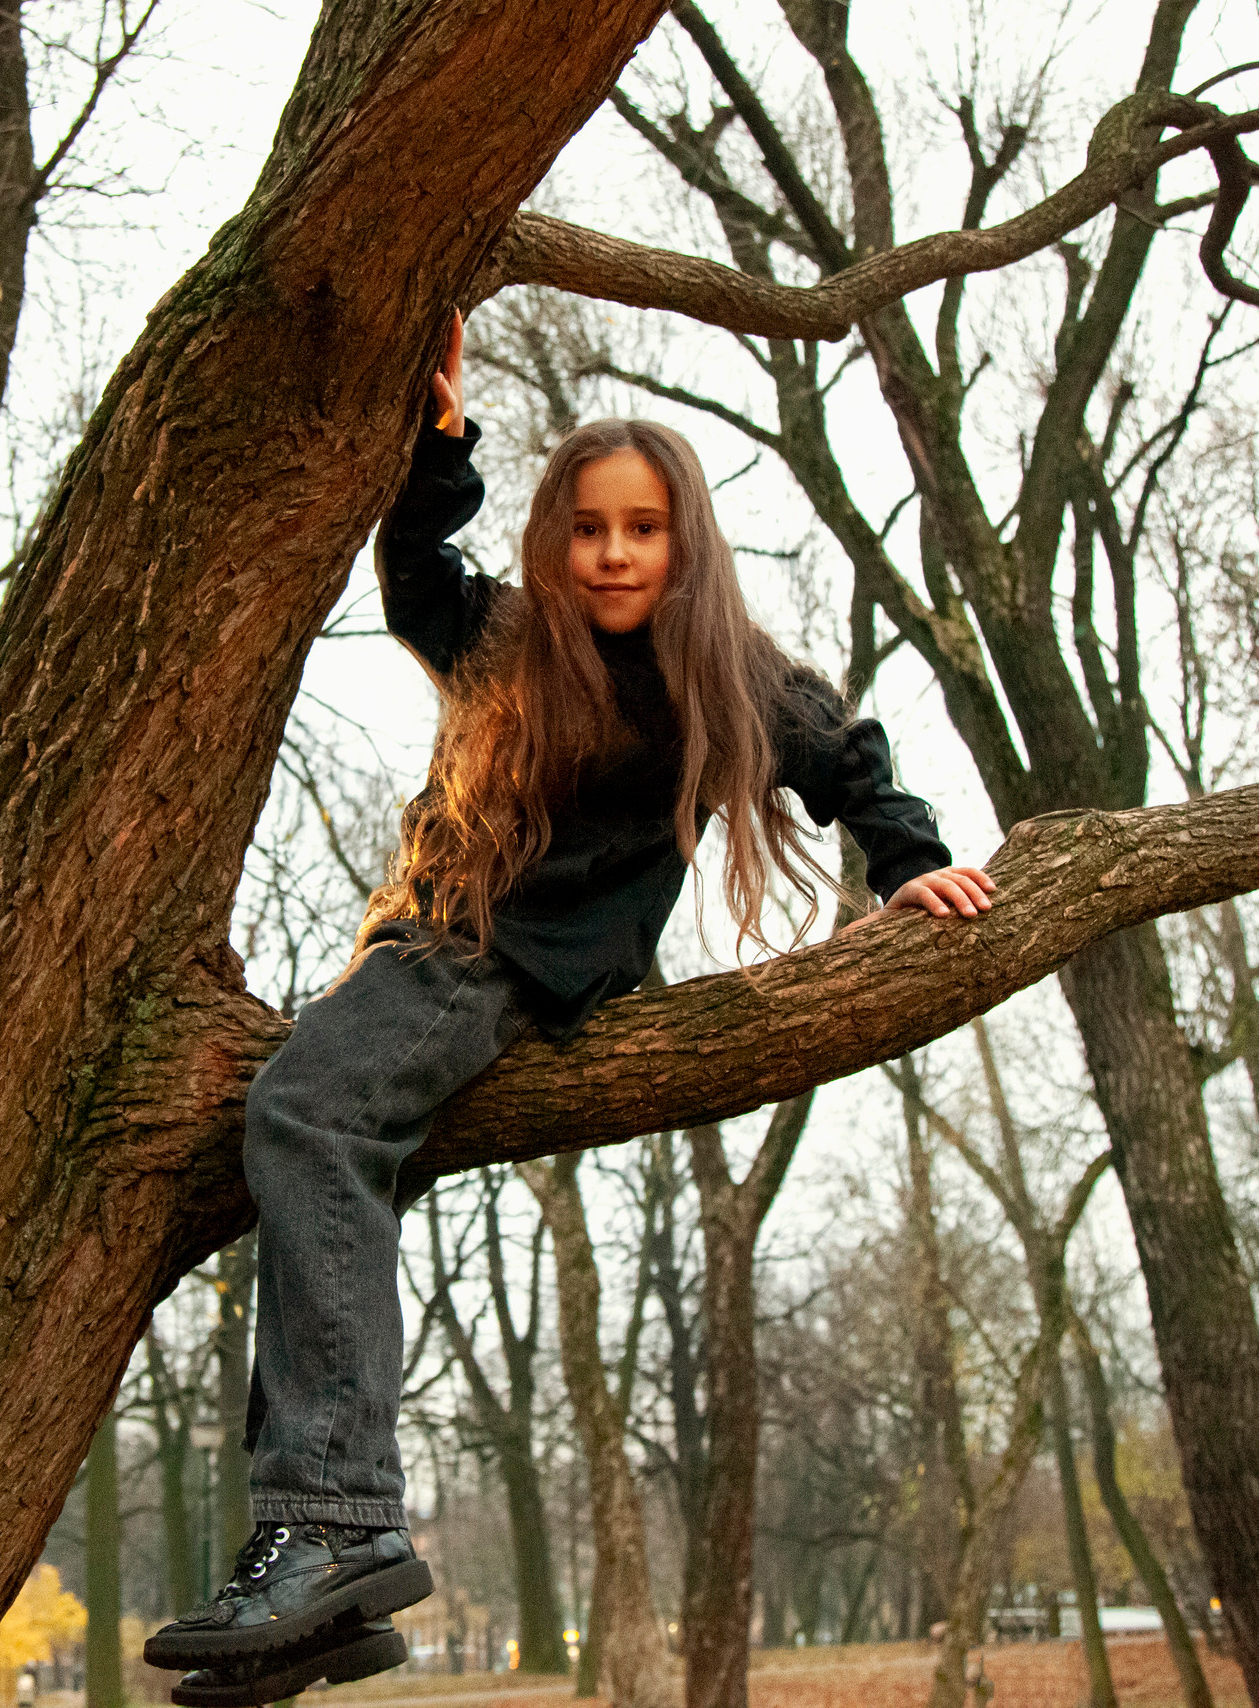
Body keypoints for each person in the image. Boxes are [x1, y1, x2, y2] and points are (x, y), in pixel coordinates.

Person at [145, 313, 994, 1706]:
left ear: (683, 544)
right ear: (556, 543)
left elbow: (850, 765)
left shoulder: (729, 674)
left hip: (500, 965)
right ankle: (315, 1597)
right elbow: (414, 577)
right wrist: (438, 442)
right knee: (329, 1167)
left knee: (302, 1109)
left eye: (642, 528)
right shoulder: (504, 640)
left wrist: (912, 870)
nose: (613, 552)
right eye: (589, 528)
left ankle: (333, 1525)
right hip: (425, 943)